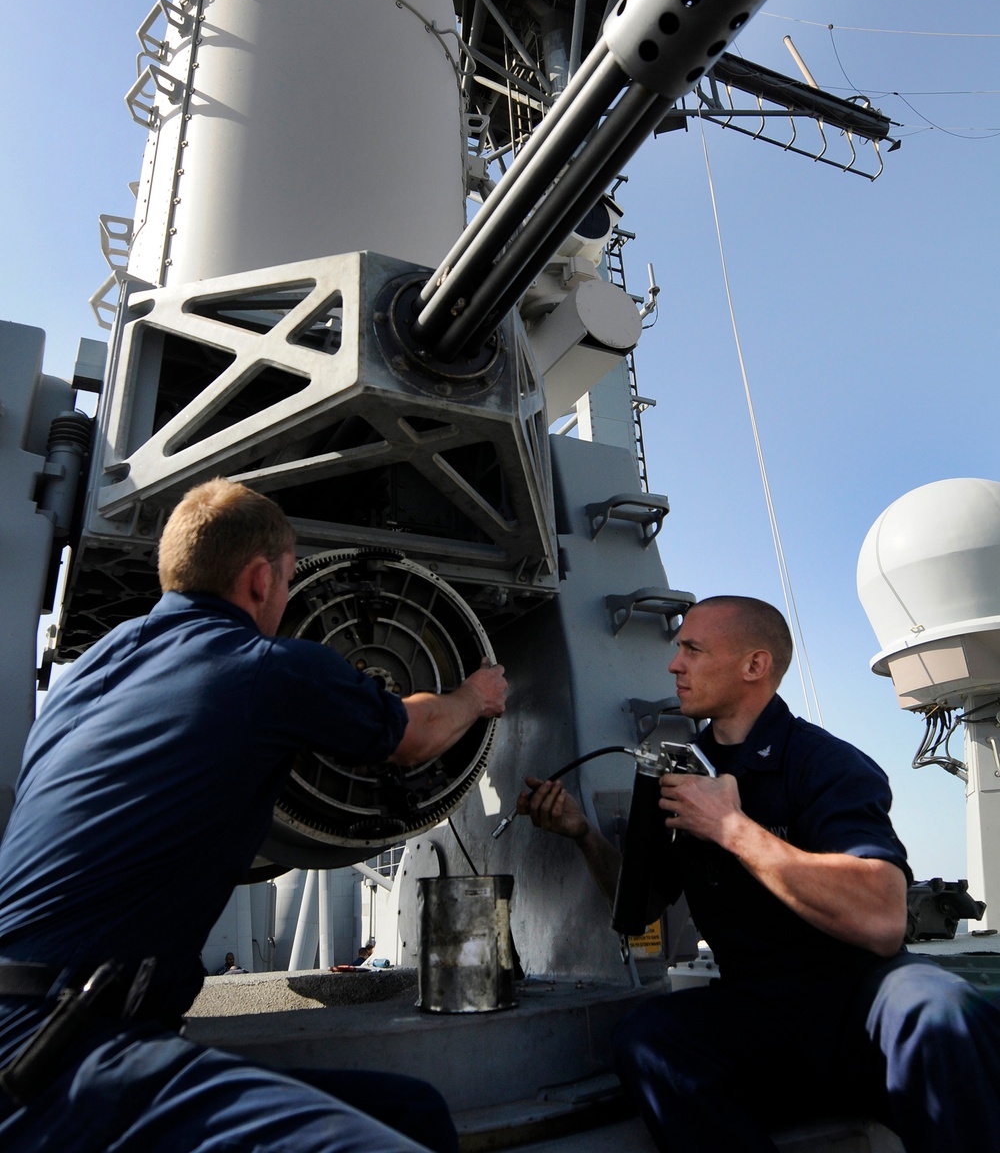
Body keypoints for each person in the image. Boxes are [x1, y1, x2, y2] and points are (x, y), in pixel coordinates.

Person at [0, 478, 507, 1152]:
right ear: (262, 579)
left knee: (411, 1112)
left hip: (52, 1022)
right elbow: (417, 736)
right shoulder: (266, 668)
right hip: (65, 1055)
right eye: (291, 579)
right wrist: (475, 697)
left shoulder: (87, 673)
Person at [519, 595, 1000, 1153]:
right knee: (647, 1040)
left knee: (940, 1010)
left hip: (862, 1004)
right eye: (679, 649)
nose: (675, 664)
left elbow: (883, 918)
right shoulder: (682, 774)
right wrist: (583, 835)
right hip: (761, 1015)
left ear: (755, 666)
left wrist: (730, 827)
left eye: (693, 650)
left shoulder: (826, 764)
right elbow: (639, 912)